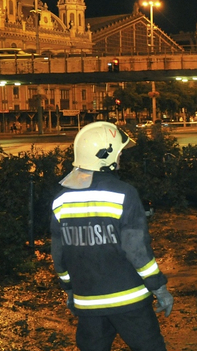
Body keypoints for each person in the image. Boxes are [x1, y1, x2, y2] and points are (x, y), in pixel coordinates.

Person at [50, 121, 173, 350]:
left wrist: (68, 289)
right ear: (106, 156)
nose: (120, 158)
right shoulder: (124, 193)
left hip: (88, 303)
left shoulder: (61, 200)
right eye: (118, 153)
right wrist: (159, 288)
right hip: (130, 302)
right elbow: (137, 250)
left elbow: (59, 256)